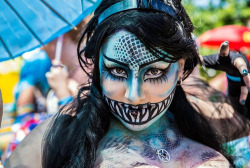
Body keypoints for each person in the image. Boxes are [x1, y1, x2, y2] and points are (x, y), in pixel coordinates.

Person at [6, 0, 250, 167]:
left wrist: (235, 83)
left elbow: (242, 127)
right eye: (117, 71)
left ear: (182, 67)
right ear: (97, 67)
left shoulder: (200, 115)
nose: (134, 96)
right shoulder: (53, 138)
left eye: (154, 71)